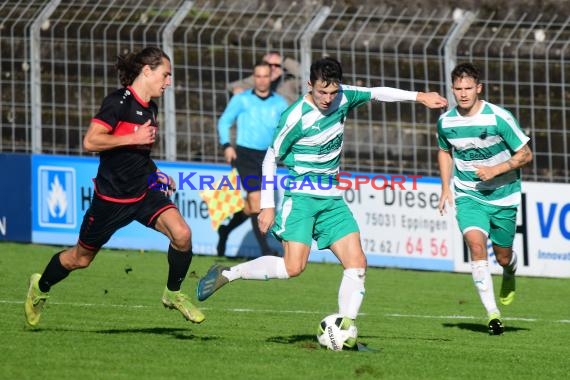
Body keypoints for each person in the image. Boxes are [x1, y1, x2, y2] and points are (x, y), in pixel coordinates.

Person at [197, 57, 447, 332]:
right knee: (294, 268)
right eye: (321, 92)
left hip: (332, 199)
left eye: (332, 92)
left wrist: (420, 96)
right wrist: (267, 206)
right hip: (301, 198)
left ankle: (344, 329)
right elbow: (270, 158)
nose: (328, 98)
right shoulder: (295, 116)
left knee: (357, 263)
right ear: (309, 86)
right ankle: (229, 273)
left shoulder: (344, 96)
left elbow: (378, 92)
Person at [24, 47, 205, 327]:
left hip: (144, 192)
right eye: (165, 74)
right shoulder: (117, 103)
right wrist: (131, 137)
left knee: (182, 234)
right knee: (79, 259)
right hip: (111, 201)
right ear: (147, 70)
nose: (169, 81)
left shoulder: (151, 108)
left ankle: (173, 293)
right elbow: (91, 142)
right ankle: (41, 287)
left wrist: (157, 173)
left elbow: (138, 155)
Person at [437, 62, 533, 335]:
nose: (464, 93)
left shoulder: (498, 118)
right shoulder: (446, 121)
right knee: (476, 246)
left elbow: (526, 154)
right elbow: (444, 151)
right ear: (453, 89)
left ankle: (510, 272)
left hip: (503, 195)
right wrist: (446, 187)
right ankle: (493, 314)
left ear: (478, 88)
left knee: (503, 257)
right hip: (469, 194)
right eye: (458, 89)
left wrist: (495, 170)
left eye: (469, 88)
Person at [217, 62, 289, 257]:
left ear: (271, 78)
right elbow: (224, 121)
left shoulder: (280, 103)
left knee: (251, 206)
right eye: (258, 76)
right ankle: (265, 250)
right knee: (257, 201)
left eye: (265, 76)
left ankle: (225, 230)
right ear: (254, 77)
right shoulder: (242, 100)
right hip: (245, 156)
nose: (261, 80)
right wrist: (227, 145)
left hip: (268, 158)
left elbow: (287, 129)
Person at [228, 51, 301, 104]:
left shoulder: (290, 81)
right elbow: (232, 86)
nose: (273, 68)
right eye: (269, 65)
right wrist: (236, 89)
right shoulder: (258, 78)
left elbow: (306, 74)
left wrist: (283, 60)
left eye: (277, 65)